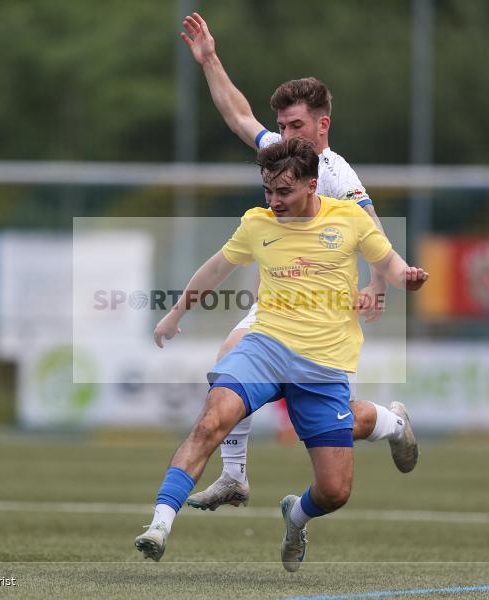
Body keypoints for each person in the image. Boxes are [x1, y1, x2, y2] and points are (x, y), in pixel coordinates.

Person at [135, 139, 428, 569]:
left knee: (334, 491)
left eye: (283, 193)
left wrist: (408, 276)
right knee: (211, 419)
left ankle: (297, 515)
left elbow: (390, 263)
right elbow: (216, 267)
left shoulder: (348, 219)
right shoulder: (258, 223)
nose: (273, 202)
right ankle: (160, 523)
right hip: (265, 347)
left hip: (323, 364)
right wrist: (176, 313)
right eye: (267, 191)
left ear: (313, 185)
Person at [181, 11, 412, 511]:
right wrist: (210, 60)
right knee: (228, 363)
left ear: (322, 125)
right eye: (282, 124)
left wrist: (378, 284)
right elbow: (239, 117)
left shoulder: (332, 171)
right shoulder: (287, 153)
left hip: (324, 307)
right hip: (279, 300)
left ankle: (391, 423)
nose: (283, 133)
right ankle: (235, 477)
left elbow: (372, 228)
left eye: (295, 124)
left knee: (336, 421)